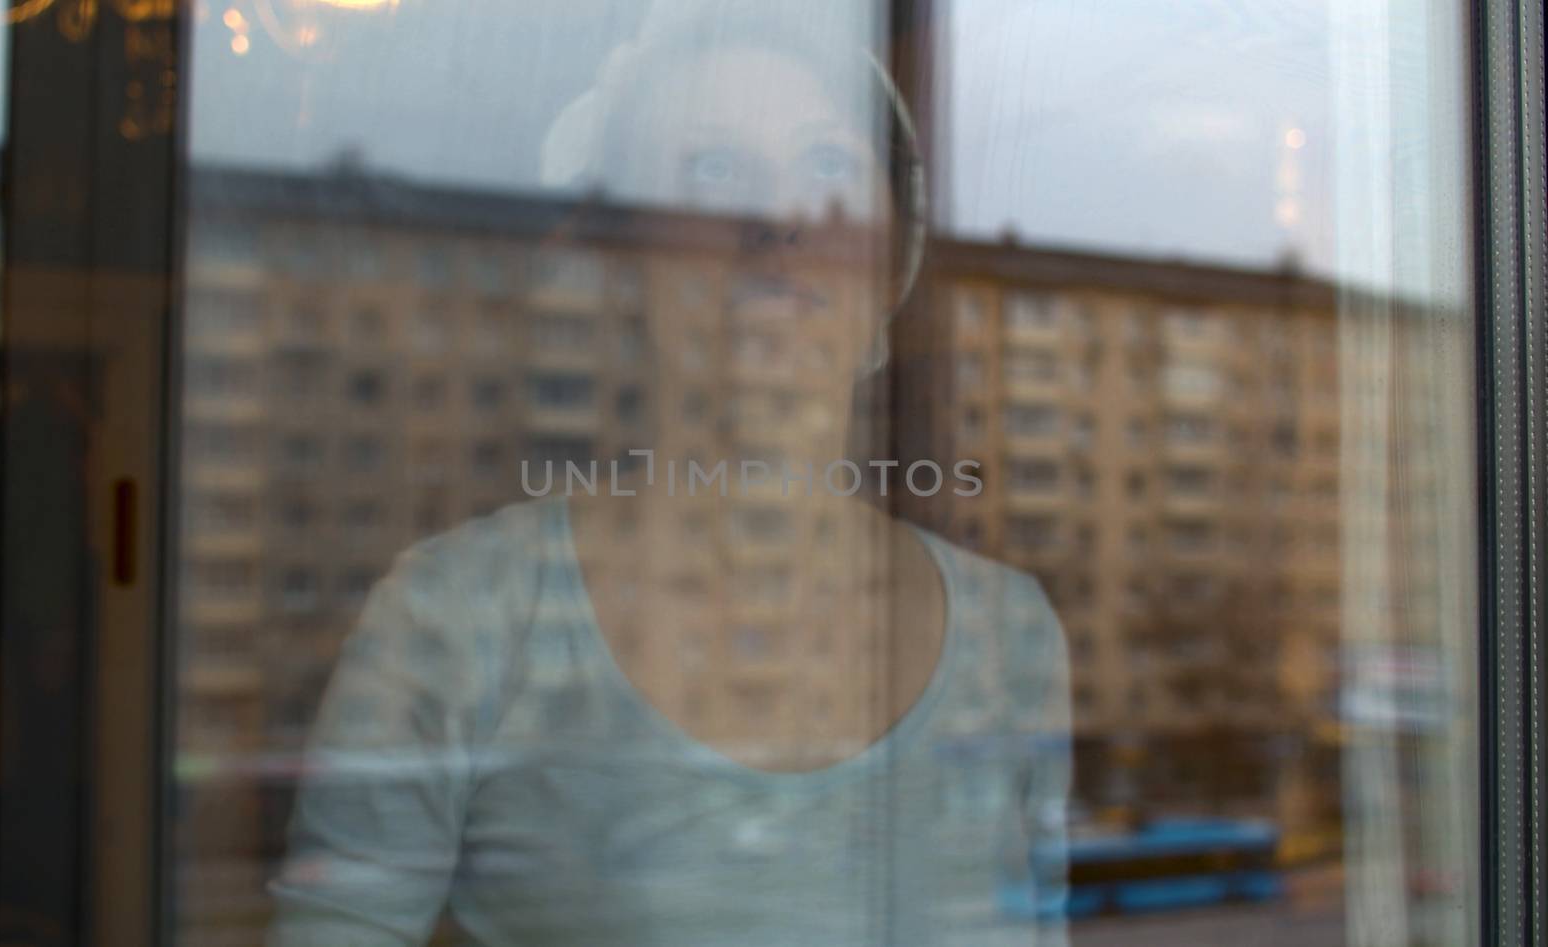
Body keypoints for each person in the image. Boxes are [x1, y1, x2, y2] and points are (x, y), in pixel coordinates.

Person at [267, 3, 1070, 944]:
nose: (782, 222)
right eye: (713, 171)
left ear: (891, 261)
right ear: (624, 258)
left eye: (827, 166)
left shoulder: (1009, 641)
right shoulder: (463, 618)